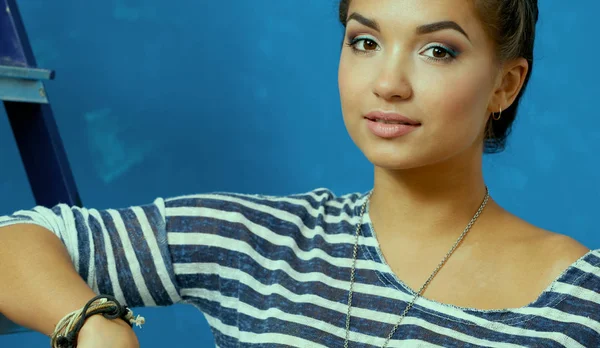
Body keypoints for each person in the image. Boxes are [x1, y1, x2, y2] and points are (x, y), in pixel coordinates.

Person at [0, 0, 597, 346]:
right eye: (364, 41)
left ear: (505, 83)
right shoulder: (259, 241)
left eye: (437, 50)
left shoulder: (578, 299)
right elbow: (18, 239)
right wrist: (94, 323)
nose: (387, 83)